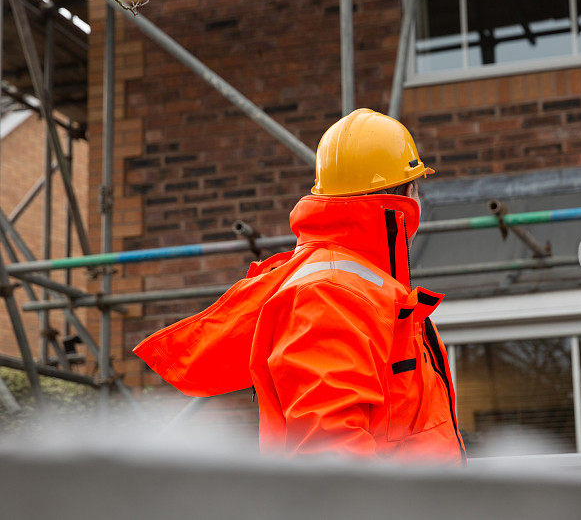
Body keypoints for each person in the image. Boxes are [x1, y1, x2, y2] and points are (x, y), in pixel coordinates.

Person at [134, 108, 466, 465]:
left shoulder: (364, 291)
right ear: (406, 193)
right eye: (417, 187)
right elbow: (331, 459)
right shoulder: (330, 295)